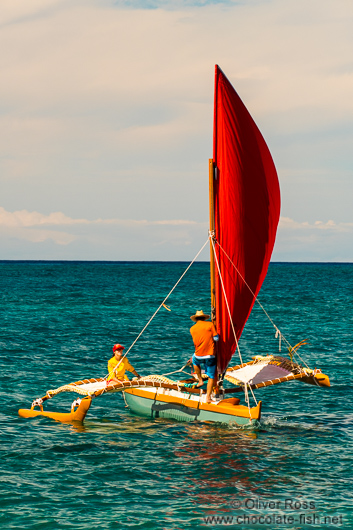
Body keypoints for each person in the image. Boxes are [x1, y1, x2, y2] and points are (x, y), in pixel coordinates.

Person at [190, 310, 219, 403]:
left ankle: (200, 380)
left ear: (196, 319)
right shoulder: (210, 325)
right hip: (210, 356)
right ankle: (208, 398)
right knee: (211, 377)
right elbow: (216, 338)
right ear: (204, 318)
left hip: (198, 355)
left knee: (194, 360)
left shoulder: (192, 328)